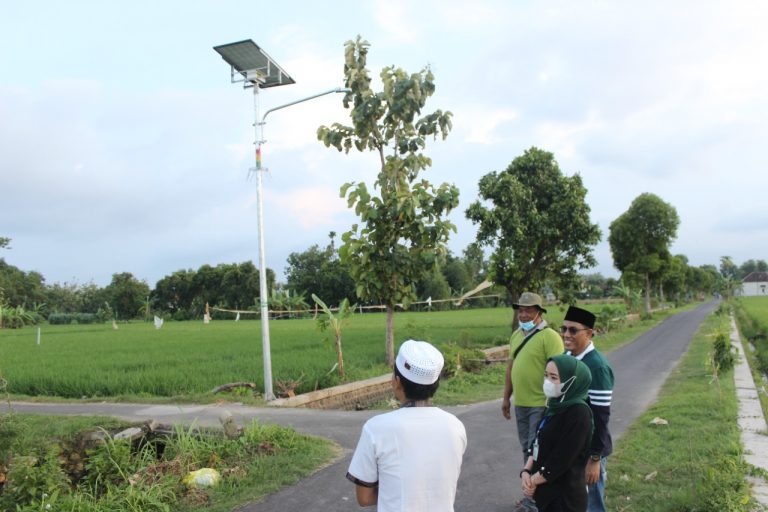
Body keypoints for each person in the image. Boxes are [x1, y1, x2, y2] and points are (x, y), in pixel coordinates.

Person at [346, 339, 467, 511]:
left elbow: (365, 498)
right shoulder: (456, 427)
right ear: (435, 385)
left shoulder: (376, 429)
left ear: (397, 381)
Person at [520, 354, 593, 511]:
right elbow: (537, 441)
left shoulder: (579, 413)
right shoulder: (555, 405)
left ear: (572, 381)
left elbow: (562, 458)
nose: (548, 382)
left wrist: (532, 481)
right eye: (546, 375)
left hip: (564, 498)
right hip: (546, 493)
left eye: (554, 377)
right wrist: (526, 471)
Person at [561, 306, 614, 512]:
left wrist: (595, 459)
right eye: (563, 329)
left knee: (591, 504)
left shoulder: (597, 367)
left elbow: (601, 418)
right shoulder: (566, 357)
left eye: (573, 330)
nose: (566, 334)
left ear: (589, 333)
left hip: (589, 450)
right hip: (569, 446)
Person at [503, 292, 564, 463]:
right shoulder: (516, 335)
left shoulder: (550, 336)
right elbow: (511, 368)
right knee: (526, 447)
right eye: (521, 311)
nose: (523, 315)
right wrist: (506, 398)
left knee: (536, 447)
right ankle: (530, 483)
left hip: (541, 403)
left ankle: (535, 484)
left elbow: (559, 372)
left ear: (539, 312)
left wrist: (557, 405)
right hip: (521, 403)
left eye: (528, 311)